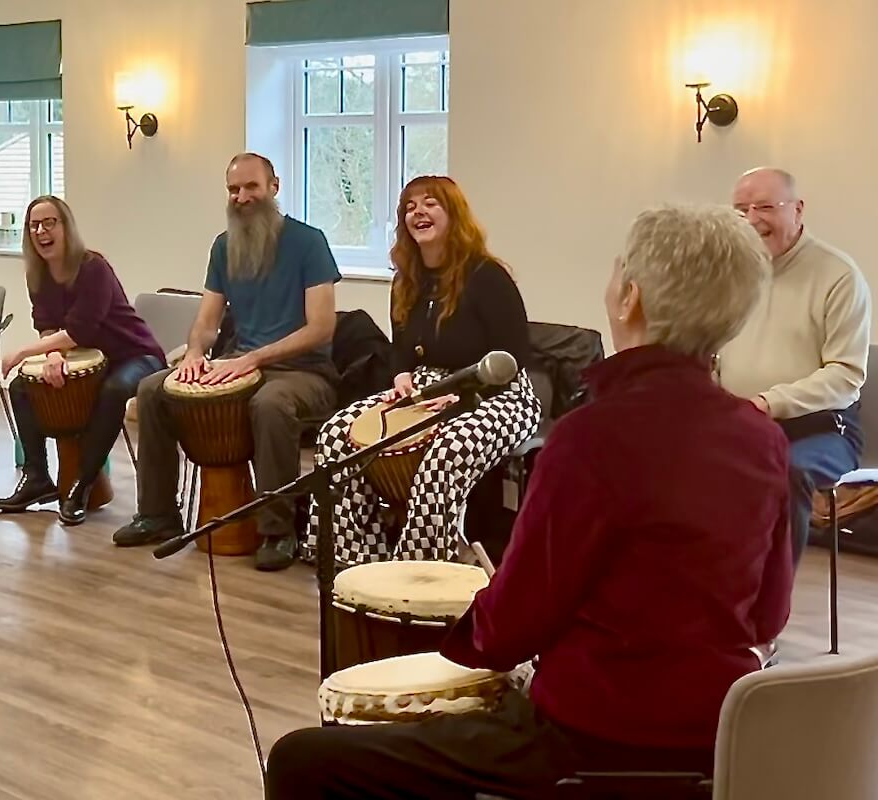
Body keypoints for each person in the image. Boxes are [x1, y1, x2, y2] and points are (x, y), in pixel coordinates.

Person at [265, 205, 793, 800]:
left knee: (301, 760)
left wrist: (480, 615)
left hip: (586, 737)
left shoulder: (591, 438)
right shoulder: (762, 440)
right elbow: (767, 616)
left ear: (630, 299)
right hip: (719, 740)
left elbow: (508, 636)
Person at [113, 152, 339, 571]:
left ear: (274, 187)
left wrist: (254, 357)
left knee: (270, 404)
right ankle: (158, 514)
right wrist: (196, 353)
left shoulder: (310, 242)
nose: (241, 197)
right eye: (234, 189)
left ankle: (279, 530)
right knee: (152, 389)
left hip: (304, 372)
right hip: (240, 363)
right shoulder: (224, 246)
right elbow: (207, 319)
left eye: (251, 187)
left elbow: (321, 327)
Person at [305, 175, 540, 565]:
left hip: (499, 393)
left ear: (453, 214)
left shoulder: (487, 277)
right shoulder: (405, 282)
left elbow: (513, 357)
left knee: (445, 452)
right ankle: (356, 562)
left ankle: (422, 569)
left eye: (430, 203)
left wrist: (466, 392)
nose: (418, 211)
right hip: (428, 391)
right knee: (336, 436)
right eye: (410, 206)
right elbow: (401, 351)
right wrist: (400, 376)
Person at [720, 167, 871, 567]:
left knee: (786, 475)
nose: (752, 220)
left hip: (821, 429)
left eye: (766, 207)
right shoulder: (731, 276)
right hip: (741, 423)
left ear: (798, 210)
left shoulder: (838, 276)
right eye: (740, 210)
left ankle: (766, 608)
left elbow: (845, 376)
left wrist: (768, 403)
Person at [0, 195, 166, 523]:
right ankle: (36, 477)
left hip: (135, 354)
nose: (41, 231)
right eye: (34, 225)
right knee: (21, 387)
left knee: (115, 390)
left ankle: (83, 482)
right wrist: (53, 356)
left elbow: (80, 331)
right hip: (90, 358)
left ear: (66, 227)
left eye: (49, 223)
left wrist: (23, 352)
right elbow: (48, 326)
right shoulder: (39, 274)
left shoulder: (93, 267)